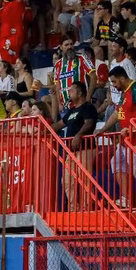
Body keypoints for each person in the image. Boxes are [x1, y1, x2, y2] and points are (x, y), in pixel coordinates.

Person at [95, 66, 136, 209]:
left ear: (122, 78)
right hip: (126, 141)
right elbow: (117, 114)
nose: (114, 85)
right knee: (116, 163)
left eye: (114, 82)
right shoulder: (124, 93)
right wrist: (103, 129)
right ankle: (127, 199)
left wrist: (133, 129)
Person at [50, 82, 97, 211]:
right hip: (71, 151)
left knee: (85, 180)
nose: (69, 92)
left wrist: (78, 135)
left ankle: (86, 209)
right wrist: (43, 130)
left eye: (72, 90)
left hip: (86, 148)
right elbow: (59, 124)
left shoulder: (88, 107)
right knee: (67, 180)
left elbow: (89, 123)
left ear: (80, 93)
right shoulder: (72, 110)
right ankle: (73, 209)